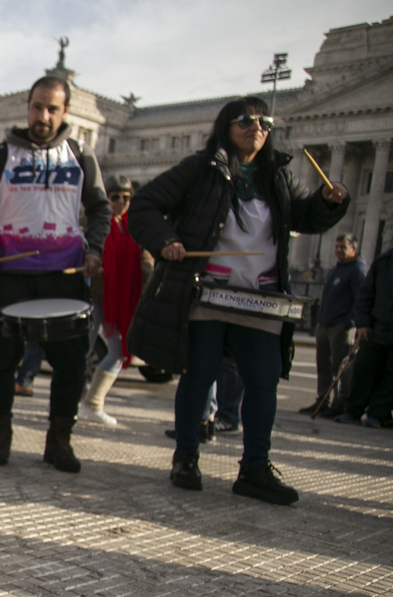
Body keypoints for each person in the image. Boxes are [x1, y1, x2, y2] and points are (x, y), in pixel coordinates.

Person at [128, 97, 349, 504]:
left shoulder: (278, 175)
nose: (256, 128)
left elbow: (304, 217)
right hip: (209, 292)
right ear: (226, 127)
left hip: (260, 296)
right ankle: (186, 456)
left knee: (264, 380)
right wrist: (166, 240)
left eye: (264, 122)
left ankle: (254, 468)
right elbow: (144, 205)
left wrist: (328, 202)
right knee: (199, 375)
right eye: (245, 121)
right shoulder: (201, 168)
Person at [0, 75, 112, 473]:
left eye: (52, 109)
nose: (43, 116)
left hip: (65, 275)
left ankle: (60, 442)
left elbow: (100, 209)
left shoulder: (80, 154)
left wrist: (94, 249)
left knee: (71, 365)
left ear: (65, 111)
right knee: (0, 362)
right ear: (28, 108)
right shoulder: (0, 155)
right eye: (37, 107)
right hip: (8, 276)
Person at [80, 175, 145, 426]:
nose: (121, 202)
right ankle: (65, 400)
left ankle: (93, 403)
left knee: (117, 352)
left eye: (126, 197)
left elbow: (144, 260)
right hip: (94, 298)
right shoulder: (95, 223)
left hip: (119, 300)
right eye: (115, 197)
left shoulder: (132, 227)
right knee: (81, 351)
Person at [300, 233, 366, 417]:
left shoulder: (357, 270)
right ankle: (322, 400)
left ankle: (340, 403)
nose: (338, 250)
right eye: (337, 247)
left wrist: (348, 323)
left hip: (341, 327)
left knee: (341, 368)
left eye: (343, 247)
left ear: (354, 249)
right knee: (323, 366)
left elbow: (361, 300)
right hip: (325, 325)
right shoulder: (336, 269)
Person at [335, 247, 393, 427]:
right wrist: (363, 323)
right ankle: (353, 410)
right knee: (363, 369)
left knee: (390, 376)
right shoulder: (384, 261)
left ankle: (378, 414)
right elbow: (365, 295)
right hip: (376, 327)